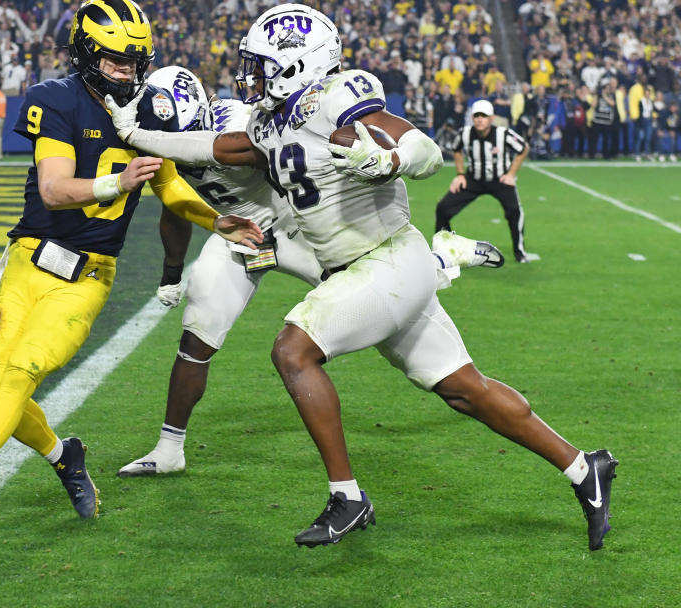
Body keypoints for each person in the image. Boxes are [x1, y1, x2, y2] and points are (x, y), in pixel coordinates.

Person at [106, 3, 617, 551]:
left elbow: (424, 148)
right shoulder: (268, 121)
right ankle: (582, 466)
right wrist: (139, 134)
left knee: (292, 351)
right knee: (465, 389)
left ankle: (348, 497)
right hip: (366, 270)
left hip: (384, 260)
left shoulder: (337, 97)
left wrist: (392, 160)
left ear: (295, 63)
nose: (250, 74)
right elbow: (213, 147)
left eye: (260, 63)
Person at [0, 0, 262, 529]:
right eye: (115, 58)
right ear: (85, 54)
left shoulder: (149, 111)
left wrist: (217, 220)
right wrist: (117, 181)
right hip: (25, 262)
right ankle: (64, 456)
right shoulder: (56, 99)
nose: (127, 70)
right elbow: (53, 189)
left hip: (86, 276)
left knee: (21, 376)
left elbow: (172, 190)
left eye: (135, 60)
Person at [118, 66, 504, 478]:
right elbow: (176, 207)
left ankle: (441, 259)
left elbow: (235, 152)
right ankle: (169, 448)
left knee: (369, 297)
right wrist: (172, 273)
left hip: (296, 227)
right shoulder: (164, 140)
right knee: (198, 331)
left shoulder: (236, 118)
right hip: (238, 232)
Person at [435, 99, 532, 263]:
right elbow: (456, 149)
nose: (480, 119)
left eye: (484, 116)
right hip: (474, 179)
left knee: (515, 211)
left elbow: (523, 148)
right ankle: (445, 250)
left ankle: (519, 250)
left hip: (499, 179)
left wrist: (511, 174)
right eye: (477, 115)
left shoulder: (503, 134)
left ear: (491, 118)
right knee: (443, 208)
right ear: (472, 117)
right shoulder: (465, 133)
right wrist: (460, 174)